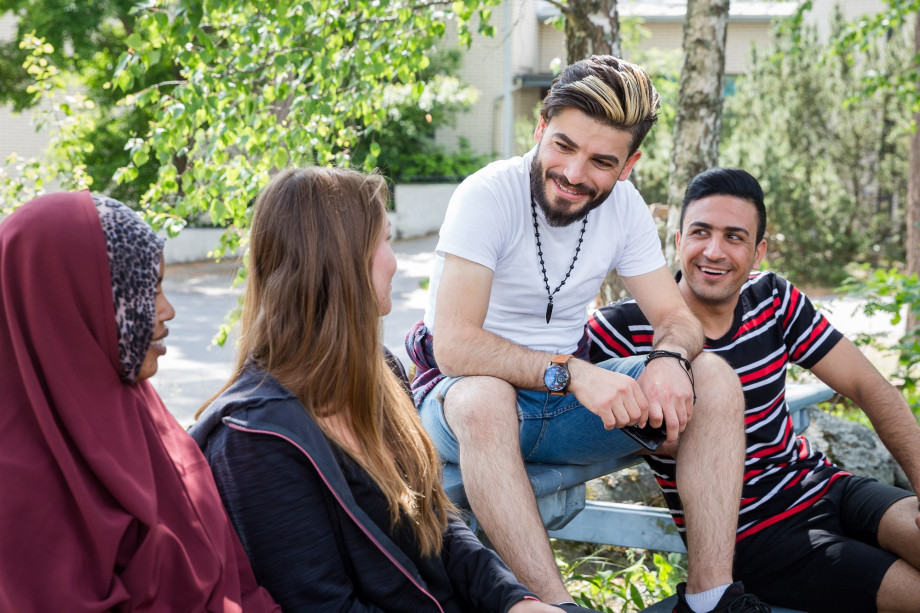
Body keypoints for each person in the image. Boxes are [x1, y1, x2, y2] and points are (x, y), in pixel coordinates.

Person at [406, 55, 768, 613]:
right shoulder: (488, 195)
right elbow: (455, 345)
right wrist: (572, 372)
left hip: (557, 413)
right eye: (563, 146)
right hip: (461, 408)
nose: (575, 174)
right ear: (540, 129)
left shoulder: (623, 208)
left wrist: (670, 358)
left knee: (714, 375)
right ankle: (555, 608)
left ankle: (710, 600)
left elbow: (678, 320)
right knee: (484, 397)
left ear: (629, 165)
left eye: (601, 161)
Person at [190, 167, 558, 612]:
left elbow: (436, 525)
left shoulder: (378, 372)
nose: (395, 260)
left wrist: (517, 600)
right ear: (340, 261)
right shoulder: (254, 440)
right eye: (384, 240)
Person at [589, 167, 920, 613]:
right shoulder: (621, 328)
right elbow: (547, 391)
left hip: (826, 486)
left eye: (734, 237)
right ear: (677, 240)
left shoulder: (773, 299)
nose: (713, 251)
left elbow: (868, 384)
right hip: (755, 536)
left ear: (758, 251)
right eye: (700, 232)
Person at [0, 191, 280, 612]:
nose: (167, 311)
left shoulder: (147, 420)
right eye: (147, 291)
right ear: (72, 307)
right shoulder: (15, 490)